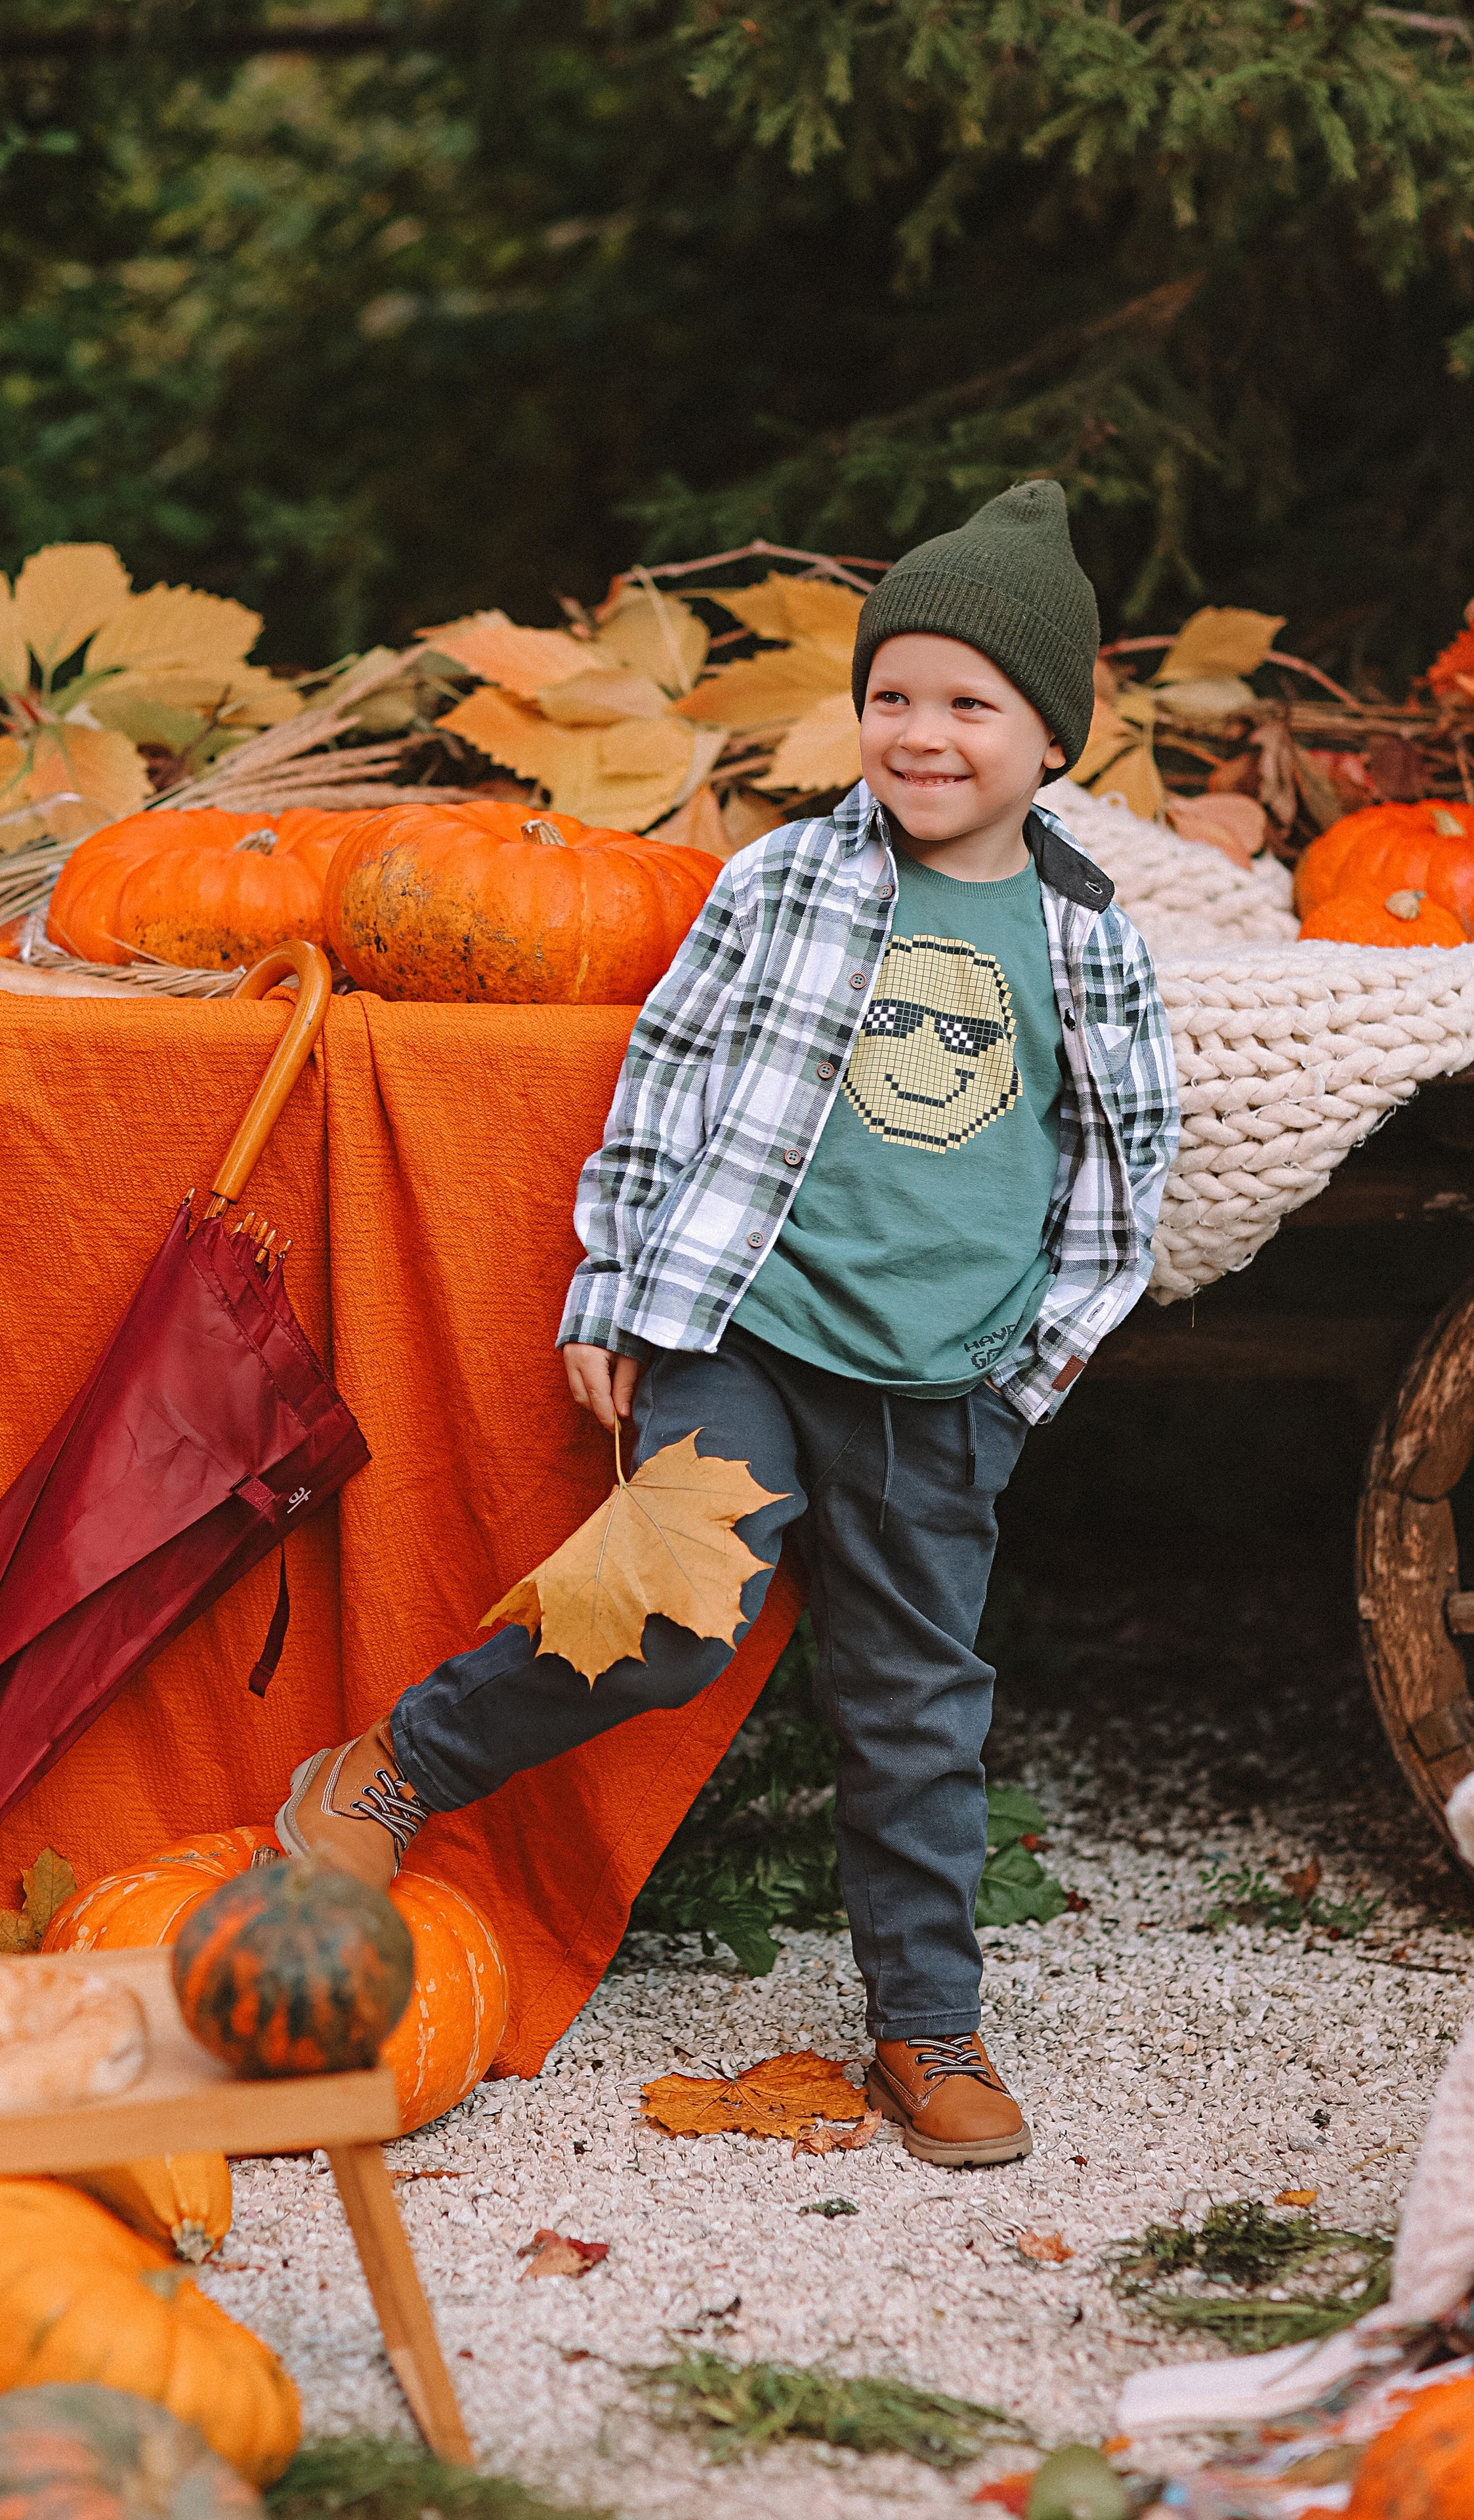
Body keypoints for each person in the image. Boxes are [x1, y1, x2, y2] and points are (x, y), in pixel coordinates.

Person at [277, 481, 1179, 2168]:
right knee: (671, 1616)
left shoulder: (1089, 941)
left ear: (1051, 735)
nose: (919, 733)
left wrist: (1023, 1378)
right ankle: (391, 1770)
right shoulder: (782, 881)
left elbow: (1123, 1166)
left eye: (967, 703)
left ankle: (924, 2029)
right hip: (748, 1334)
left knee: (915, 1703)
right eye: (890, 695)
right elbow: (666, 1084)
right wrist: (622, 1286)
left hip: (942, 1384)